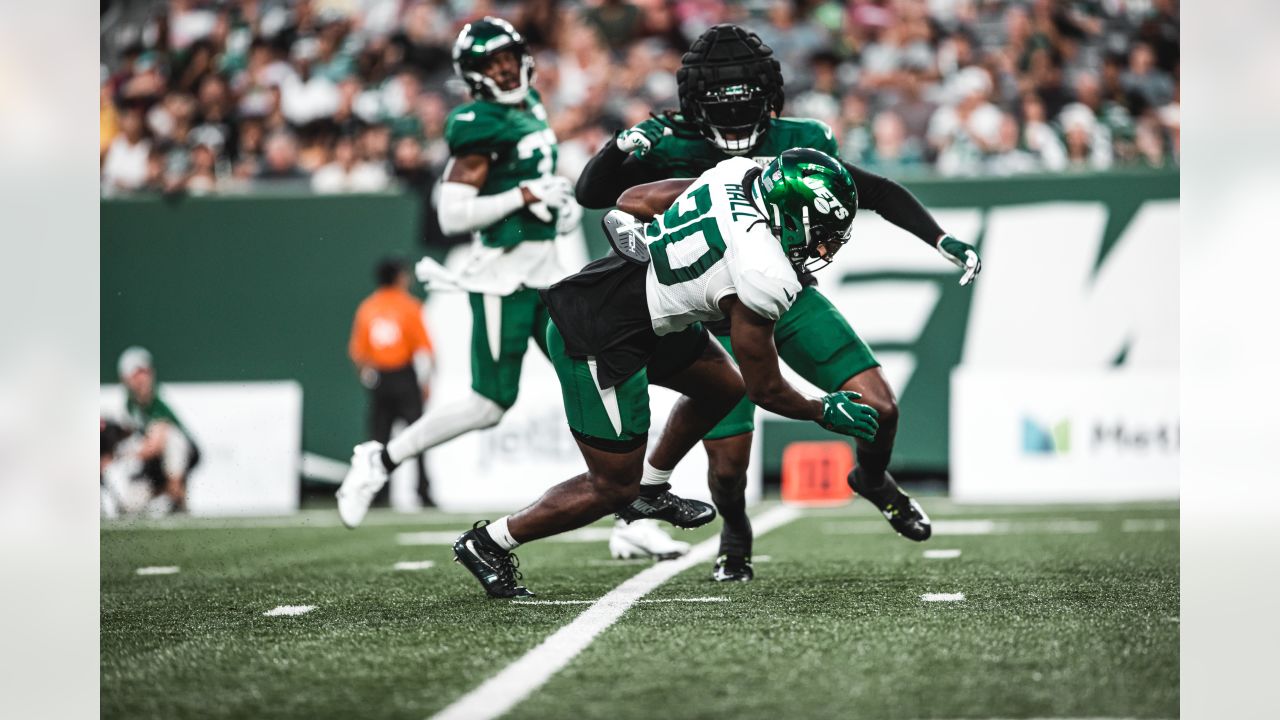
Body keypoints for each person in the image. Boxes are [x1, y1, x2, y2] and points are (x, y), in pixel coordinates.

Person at [576, 24, 982, 582]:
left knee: (881, 408)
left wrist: (941, 239)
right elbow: (595, 196)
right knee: (728, 467)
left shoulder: (799, 138)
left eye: (748, 108)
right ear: (695, 107)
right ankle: (735, 531)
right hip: (703, 306)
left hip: (780, 296)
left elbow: (877, 190)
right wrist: (615, 149)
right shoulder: (665, 140)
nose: (738, 123)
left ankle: (872, 479)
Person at [332, 18, 697, 556]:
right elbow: (451, 213)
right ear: (474, 76)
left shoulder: (529, 106)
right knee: (489, 403)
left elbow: (539, 189)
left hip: (547, 274)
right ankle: (380, 459)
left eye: (507, 58)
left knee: (607, 381)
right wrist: (524, 198)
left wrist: (558, 211)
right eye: (490, 64)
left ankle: (630, 515)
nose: (503, 70)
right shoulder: (479, 123)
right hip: (505, 279)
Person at [453, 149, 881, 598]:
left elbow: (632, 199)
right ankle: (489, 542)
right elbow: (767, 388)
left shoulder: (737, 176)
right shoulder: (764, 271)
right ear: (788, 213)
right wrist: (822, 408)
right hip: (600, 332)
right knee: (612, 487)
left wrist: (631, 228)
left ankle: (651, 489)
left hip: (647, 309)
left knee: (725, 388)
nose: (826, 245)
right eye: (824, 231)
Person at [344, 258, 435, 510]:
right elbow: (425, 349)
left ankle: (377, 494)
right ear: (399, 277)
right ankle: (423, 492)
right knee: (418, 438)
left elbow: (357, 353)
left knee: (378, 440)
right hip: (404, 377)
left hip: (380, 379)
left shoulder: (367, 307)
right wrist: (426, 382)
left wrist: (368, 378)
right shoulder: (409, 306)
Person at [116, 347, 200, 514]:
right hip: (154, 463)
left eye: (145, 372)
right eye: (137, 374)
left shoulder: (156, 404)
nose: (143, 379)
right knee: (130, 504)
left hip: (181, 455)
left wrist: (122, 454)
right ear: (126, 378)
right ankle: (169, 495)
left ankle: (176, 493)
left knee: (172, 439)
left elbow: (155, 444)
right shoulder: (130, 407)